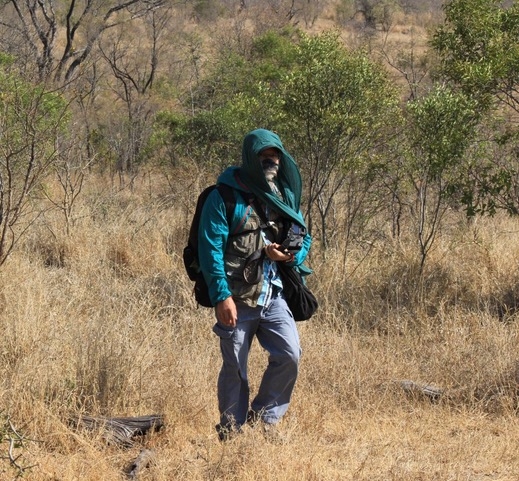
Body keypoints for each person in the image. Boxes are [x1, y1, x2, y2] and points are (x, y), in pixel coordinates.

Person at [198, 128, 312, 441]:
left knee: (289, 355)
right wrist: (221, 296)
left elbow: (304, 235)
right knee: (235, 367)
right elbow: (210, 248)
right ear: (251, 158)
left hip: (273, 295)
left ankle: (264, 420)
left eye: (274, 155)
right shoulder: (223, 196)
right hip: (237, 297)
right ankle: (231, 433)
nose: (270, 161)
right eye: (263, 156)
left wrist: (289, 255)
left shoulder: (284, 195)